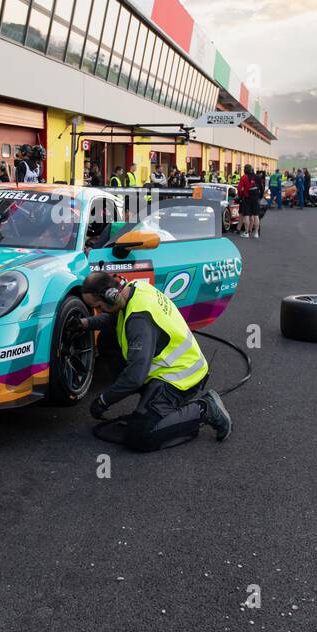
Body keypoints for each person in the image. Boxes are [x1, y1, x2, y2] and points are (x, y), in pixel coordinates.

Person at [79, 271, 231, 451]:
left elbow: (134, 377)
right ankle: (152, 407)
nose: (98, 311)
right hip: (165, 368)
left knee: (141, 436)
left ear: (111, 296)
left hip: (181, 376)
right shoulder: (134, 289)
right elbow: (112, 317)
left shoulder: (139, 320)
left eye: (98, 306)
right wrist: (84, 324)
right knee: (107, 339)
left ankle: (205, 408)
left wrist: (103, 401)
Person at [236, 164, 260, 238]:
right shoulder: (257, 177)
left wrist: (240, 197)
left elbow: (239, 189)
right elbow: (261, 188)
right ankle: (256, 233)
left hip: (247, 198)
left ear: (245, 170)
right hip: (255, 198)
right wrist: (259, 196)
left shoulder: (244, 177)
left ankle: (246, 233)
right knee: (256, 215)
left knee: (246, 215)